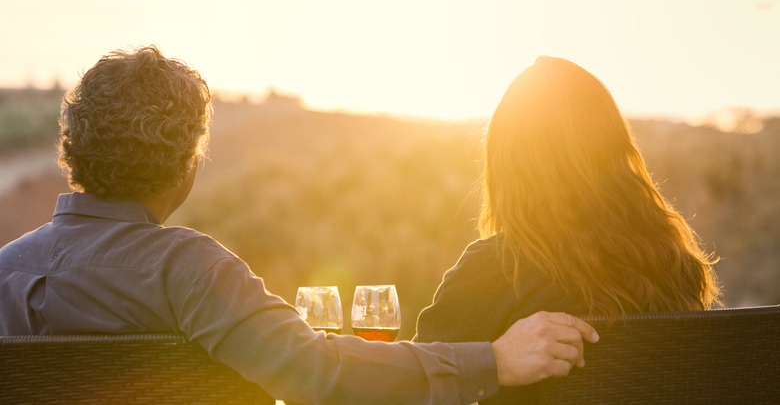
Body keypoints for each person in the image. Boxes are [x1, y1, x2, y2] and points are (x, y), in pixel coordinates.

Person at [0, 46, 599, 405]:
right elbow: (316, 373)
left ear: (71, 147)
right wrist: (490, 361)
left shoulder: (7, 272)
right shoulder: (185, 269)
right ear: (184, 164)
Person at [414, 56, 721, 403]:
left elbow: (411, 384)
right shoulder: (675, 267)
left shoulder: (496, 271)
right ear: (614, 151)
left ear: (507, 161)